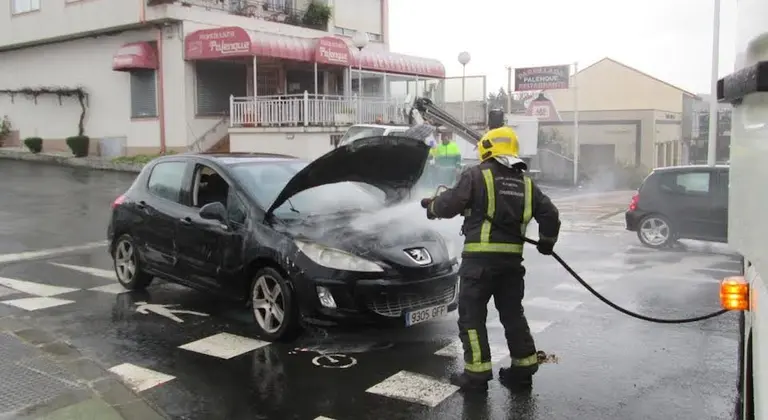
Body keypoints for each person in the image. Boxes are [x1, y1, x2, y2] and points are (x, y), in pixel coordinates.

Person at [420, 125, 561, 392]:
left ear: (487, 148)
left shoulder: (477, 175)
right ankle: (523, 369)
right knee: (512, 315)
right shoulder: (527, 184)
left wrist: (432, 207)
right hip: (511, 266)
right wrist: (546, 242)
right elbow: (550, 215)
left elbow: (450, 204)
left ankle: (477, 375)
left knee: (472, 318)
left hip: (479, 265)